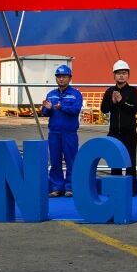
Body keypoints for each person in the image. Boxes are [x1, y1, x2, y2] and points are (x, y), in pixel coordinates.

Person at [38, 64, 83, 197]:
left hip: (69, 133)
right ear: (56, 78)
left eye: (64, 76)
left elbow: (76, 110)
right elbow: (45, 113)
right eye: (59, 76)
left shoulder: (75, 94)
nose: (61, 79)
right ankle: (56, 187)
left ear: (70, 78)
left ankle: (70, 187)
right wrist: (46, 109)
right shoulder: (51, 94)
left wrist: (61, 107)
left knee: (71, 161)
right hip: (54, 133)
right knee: (55, 161)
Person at [100, 59, 137, 177]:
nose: (121, 75)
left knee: (130, 162)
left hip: (129, 133)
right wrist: (112, 102)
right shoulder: (109, 91)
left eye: (124, 73)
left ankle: (131, 186)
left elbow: (135, 108)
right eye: (118, 73)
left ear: (128, 75)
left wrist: (121, 101)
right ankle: (116, 187)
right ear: (114, 75)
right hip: (114, 133)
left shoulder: (133, 91)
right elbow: (104, 109)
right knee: (115, 162)